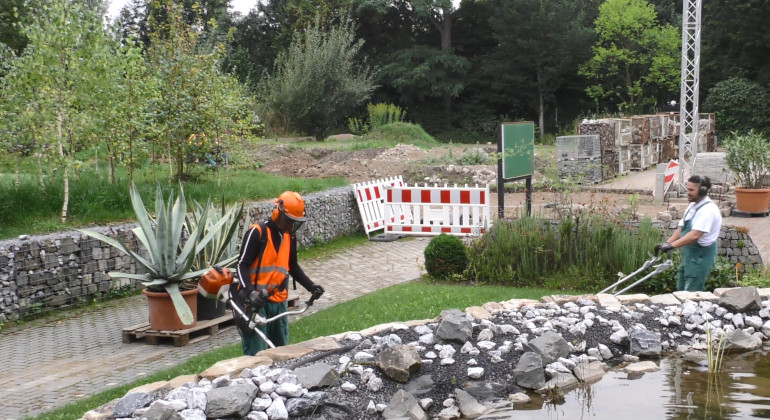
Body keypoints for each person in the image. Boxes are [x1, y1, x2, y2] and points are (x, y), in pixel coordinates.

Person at [234, 191, 325, 355]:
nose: (291, 225)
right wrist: (250, 293)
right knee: (257, 356)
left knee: (282, 353)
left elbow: (292, 266)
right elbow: (241, 265)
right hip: (257, 305)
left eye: (295, 222)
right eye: (289, 221)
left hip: (279, 303)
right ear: (278, 212)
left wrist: (311, 286)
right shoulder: (257, 232)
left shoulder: (289, 236)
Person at [655, 175, 723, 291]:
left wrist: (672, 246)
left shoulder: (708, 210)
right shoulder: (692, 206)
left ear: (703, 191)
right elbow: (681, 229)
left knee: (691, 293)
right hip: (688, 256)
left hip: (700, 257)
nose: (688, 192)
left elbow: (694, 235)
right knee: (680, 289)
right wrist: (666, 244)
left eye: (691, 190)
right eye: (688, 189)